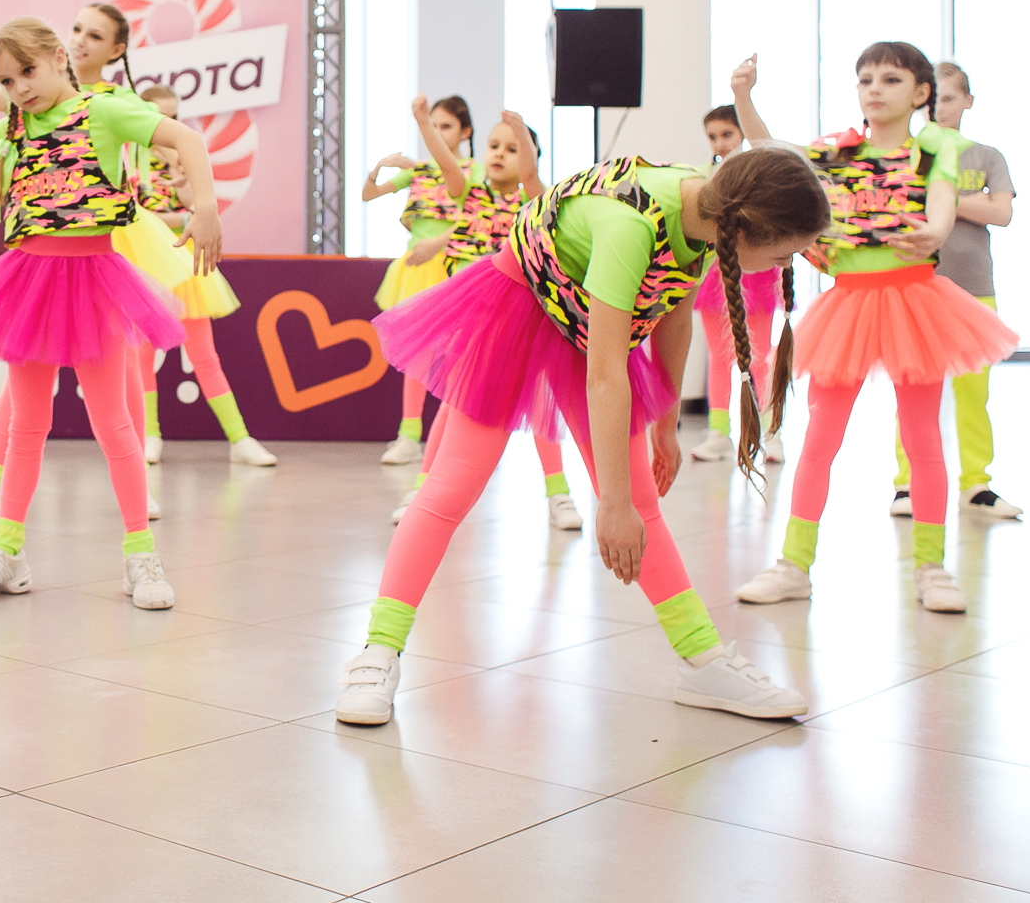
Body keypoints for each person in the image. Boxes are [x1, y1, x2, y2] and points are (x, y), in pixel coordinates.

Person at [335, 147, 830, 726]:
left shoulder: (705, 209)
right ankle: (377, 653)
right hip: (516, 311)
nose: (782, 264)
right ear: (745, 230)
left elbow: (672, 313)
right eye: (783, 254)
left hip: (587, 326)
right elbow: (605, 375)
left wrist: (665, 422)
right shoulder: (629, 227)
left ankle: (702, 659)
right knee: (449, 489)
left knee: (643, 502)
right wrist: (611, 504)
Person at [0, 12, 223, 609]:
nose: (19, 88)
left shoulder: (105, 110)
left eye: (27, 71)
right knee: (28, 424)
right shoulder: (13, 128)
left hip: (94, 279)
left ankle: (140, 554)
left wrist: (205, 207)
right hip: (30, 282)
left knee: (113, 424)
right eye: (7, 80)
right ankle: (6, 550)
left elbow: (188, 139)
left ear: (57, 58)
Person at [731, 44, 1018, 616]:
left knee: (923, 437)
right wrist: (743, 95)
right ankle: (793, 564)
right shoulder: (838, 152)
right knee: (820, 438)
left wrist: (936, 232)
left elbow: (942, 202)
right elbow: (769, 150)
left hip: (915, 300)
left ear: (920, 93)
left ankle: (931, 567)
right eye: (865, 79)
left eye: (890, 79)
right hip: (849, 304)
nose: (874, 89)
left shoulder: (934, 149)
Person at [385, 99, 576, 531]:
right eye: (494, 145)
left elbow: (532, 178)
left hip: (521, 318)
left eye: (511, 148)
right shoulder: (467, 191)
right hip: (471, 316)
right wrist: (422, 121)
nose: (499, 154)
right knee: (456, 400)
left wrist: (523, 134)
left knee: (538, 400)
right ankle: (421, 488)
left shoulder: (532, 203)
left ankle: (559, 493)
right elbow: (444, 160)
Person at [890, 63, 1020, 518]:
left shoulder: (987, 157)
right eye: (933, 100)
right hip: (917, 287)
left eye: (949, 98)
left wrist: (943, 199)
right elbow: (896, 212)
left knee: (973, 393)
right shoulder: (907, 155)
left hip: (974, 288)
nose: (939, 108)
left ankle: (976, 484)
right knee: (912, 393)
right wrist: (972, 203)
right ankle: (906, 484)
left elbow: (1002, 214)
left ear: (968, 101)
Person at [124, 81, 277, 468]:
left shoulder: (185, 158)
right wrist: (163, 218)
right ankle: (149, 435)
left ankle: (240, 439)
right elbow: (125, 217)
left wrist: (178, 189)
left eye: (174, 115)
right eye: (159, 116)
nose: (168, 123)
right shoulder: (126, 160)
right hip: (144, 268)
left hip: (184, 267)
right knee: (141, 357)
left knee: (205, 357)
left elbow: (195, 212)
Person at [363, 96, 472, 467]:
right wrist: (379, 167)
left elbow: (480, 219)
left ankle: (454, 438)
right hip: (416, 271)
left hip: (456, 269)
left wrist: (438, 243)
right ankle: (409, 436)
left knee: (459, 356)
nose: (438, 133)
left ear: (465, 132)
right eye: (433, 125)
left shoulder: (474, 172)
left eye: (447, 126)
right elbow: (369, 195)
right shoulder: (420, 171)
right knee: (418, 355)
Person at [689, 105, 786, 466]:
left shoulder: (760, 175)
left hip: (757, 275)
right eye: (712, 136)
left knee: (759, 355)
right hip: (716, 275)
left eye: (727, 134)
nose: (720, 143)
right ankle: (719, 433)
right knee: (718, 356)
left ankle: (770, 431)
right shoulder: (703, 177)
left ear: (742, 132)